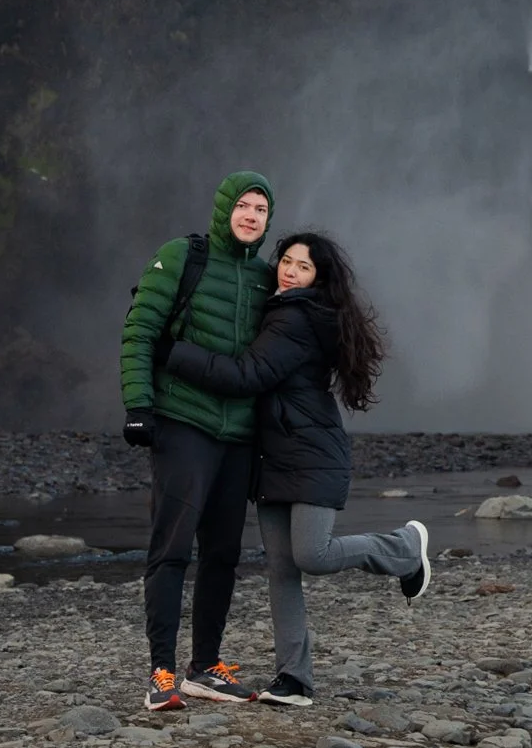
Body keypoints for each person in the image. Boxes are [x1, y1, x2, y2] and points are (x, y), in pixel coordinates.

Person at [166, 228, 429, 707]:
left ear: (318, 279)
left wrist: (175, 353)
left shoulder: (296, 319)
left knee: (313, 555)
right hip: (272, 456)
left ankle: (405, 547)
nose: (289, 270)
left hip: (309, 453)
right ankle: (295, 680)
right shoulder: (280, 312)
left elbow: (249, 375)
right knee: (282, 569)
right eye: (286, 260)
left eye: (303, 266)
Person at [121, 170, 274, 712]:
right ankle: (161, 672)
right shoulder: (184, 257)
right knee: (171, 548)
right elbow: (140, 330)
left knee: (224, 554)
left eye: (261, 208)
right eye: (244, 205)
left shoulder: (266, 278)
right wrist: (138, 406)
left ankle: (205, 668)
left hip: (237, 437)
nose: (252, 215)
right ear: (224, 208)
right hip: (184, 423)